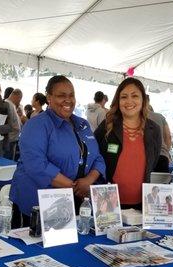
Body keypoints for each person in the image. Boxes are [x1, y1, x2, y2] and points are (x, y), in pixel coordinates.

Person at [9, 75, 106, 224]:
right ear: (49, 97)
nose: (68, 100)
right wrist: (75, 188)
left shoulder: (83, 124)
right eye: (61, 96)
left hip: (77, 201)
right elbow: (36, 165)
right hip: (40, 203)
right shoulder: (36, 125)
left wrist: (88, 181)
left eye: (71, 95)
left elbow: (97, 157)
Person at [94, 77, 161, 208]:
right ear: (118, 101)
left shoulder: (154, 130)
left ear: (143, 100)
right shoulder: (107, 125)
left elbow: (153, 161)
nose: (129, 101)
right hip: (109, 204)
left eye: (135, 96)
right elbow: (94, 156)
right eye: (124, 97)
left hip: (142, 204)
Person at [148, 104, 172, 173]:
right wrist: (167, 152)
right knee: (161, 182)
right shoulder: (160, 117)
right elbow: (168, 137)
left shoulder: (136, 117)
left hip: (144, 157)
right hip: (161, 156)